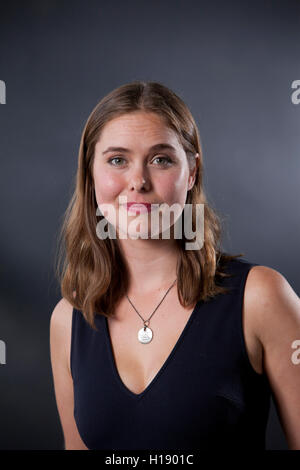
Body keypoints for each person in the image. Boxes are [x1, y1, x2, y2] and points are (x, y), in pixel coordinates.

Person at [50, 81, 300, 450]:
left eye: (161, 159)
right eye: (117, 160)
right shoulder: (68, 320)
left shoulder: (261, 297)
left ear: (192, 172)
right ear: (90, 175)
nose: (138, 181)